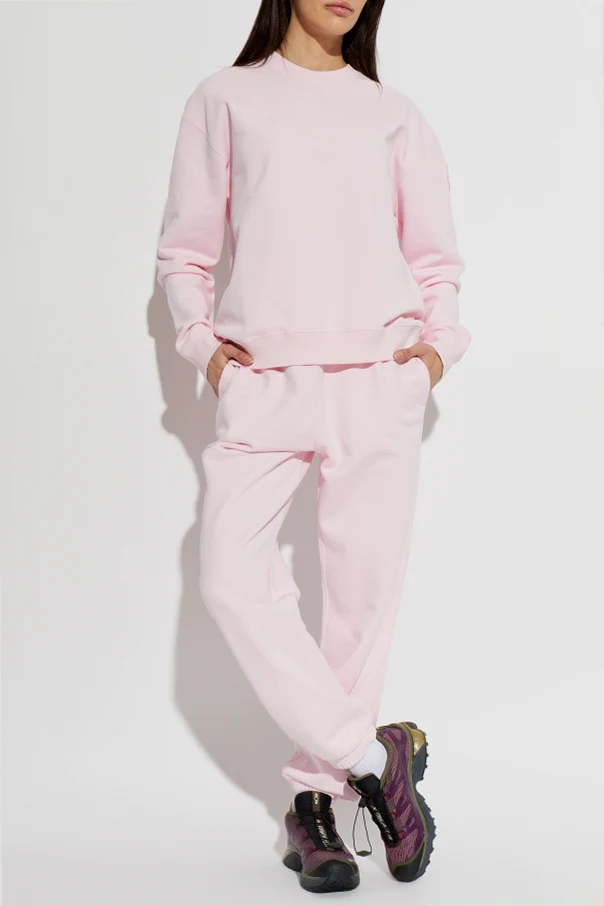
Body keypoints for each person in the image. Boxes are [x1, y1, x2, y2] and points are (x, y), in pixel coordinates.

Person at [156, 0, 470, 894]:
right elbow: (185, 252)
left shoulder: (393, 115)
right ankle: (375, 757)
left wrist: (434, 355)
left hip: (378, 380)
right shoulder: (225, 98)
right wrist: (208, 352)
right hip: (266, 383)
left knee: (359, 610)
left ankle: (314, 803)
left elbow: (437, 261)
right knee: (231, 578)